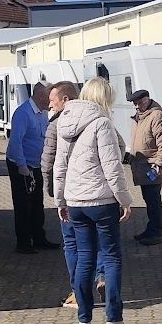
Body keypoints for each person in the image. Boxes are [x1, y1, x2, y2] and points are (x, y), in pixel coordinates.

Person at [53, 77, 133, 324]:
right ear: (105, 99)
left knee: (84, 258)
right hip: (102, 201)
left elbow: (59, 167)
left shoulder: (64, 122)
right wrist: (125, 200)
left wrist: (60, 201)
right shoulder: (102, 123)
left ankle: (84, 320)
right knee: (111, 258)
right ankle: (114, 320)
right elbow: (113, 168)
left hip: (75, 203)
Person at [42, 81, 101, 309]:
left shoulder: (56, 125)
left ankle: (79, 294)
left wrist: (52, 192)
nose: (50, 104)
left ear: (65, 99)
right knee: (92, 244)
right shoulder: (97, 119)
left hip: (68, 196)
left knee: (72, 245)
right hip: (94, 194)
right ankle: (99, 280)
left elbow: (47, 163)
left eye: (52, 99)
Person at [6, 82, 57, 254]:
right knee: (23, 204)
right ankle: (23, 242)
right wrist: (22, 166)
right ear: (42, 96)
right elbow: (15, 143)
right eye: (49, 98)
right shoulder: (23, 113)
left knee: (37, 202)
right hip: (22, 165)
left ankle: (39, 238)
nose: (50, 102)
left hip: (36, 164)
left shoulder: (42, 113)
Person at [126, 89, 162, 246]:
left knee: (153, 201)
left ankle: (156, 232)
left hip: (152, 168)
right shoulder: (139, 117)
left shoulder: (156, 116)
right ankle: (151, 228)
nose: (137, 107)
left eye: (140, 103)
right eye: (135, 104)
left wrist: (159, 164)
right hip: (142, 167)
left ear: (147, 100)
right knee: (149, 199)